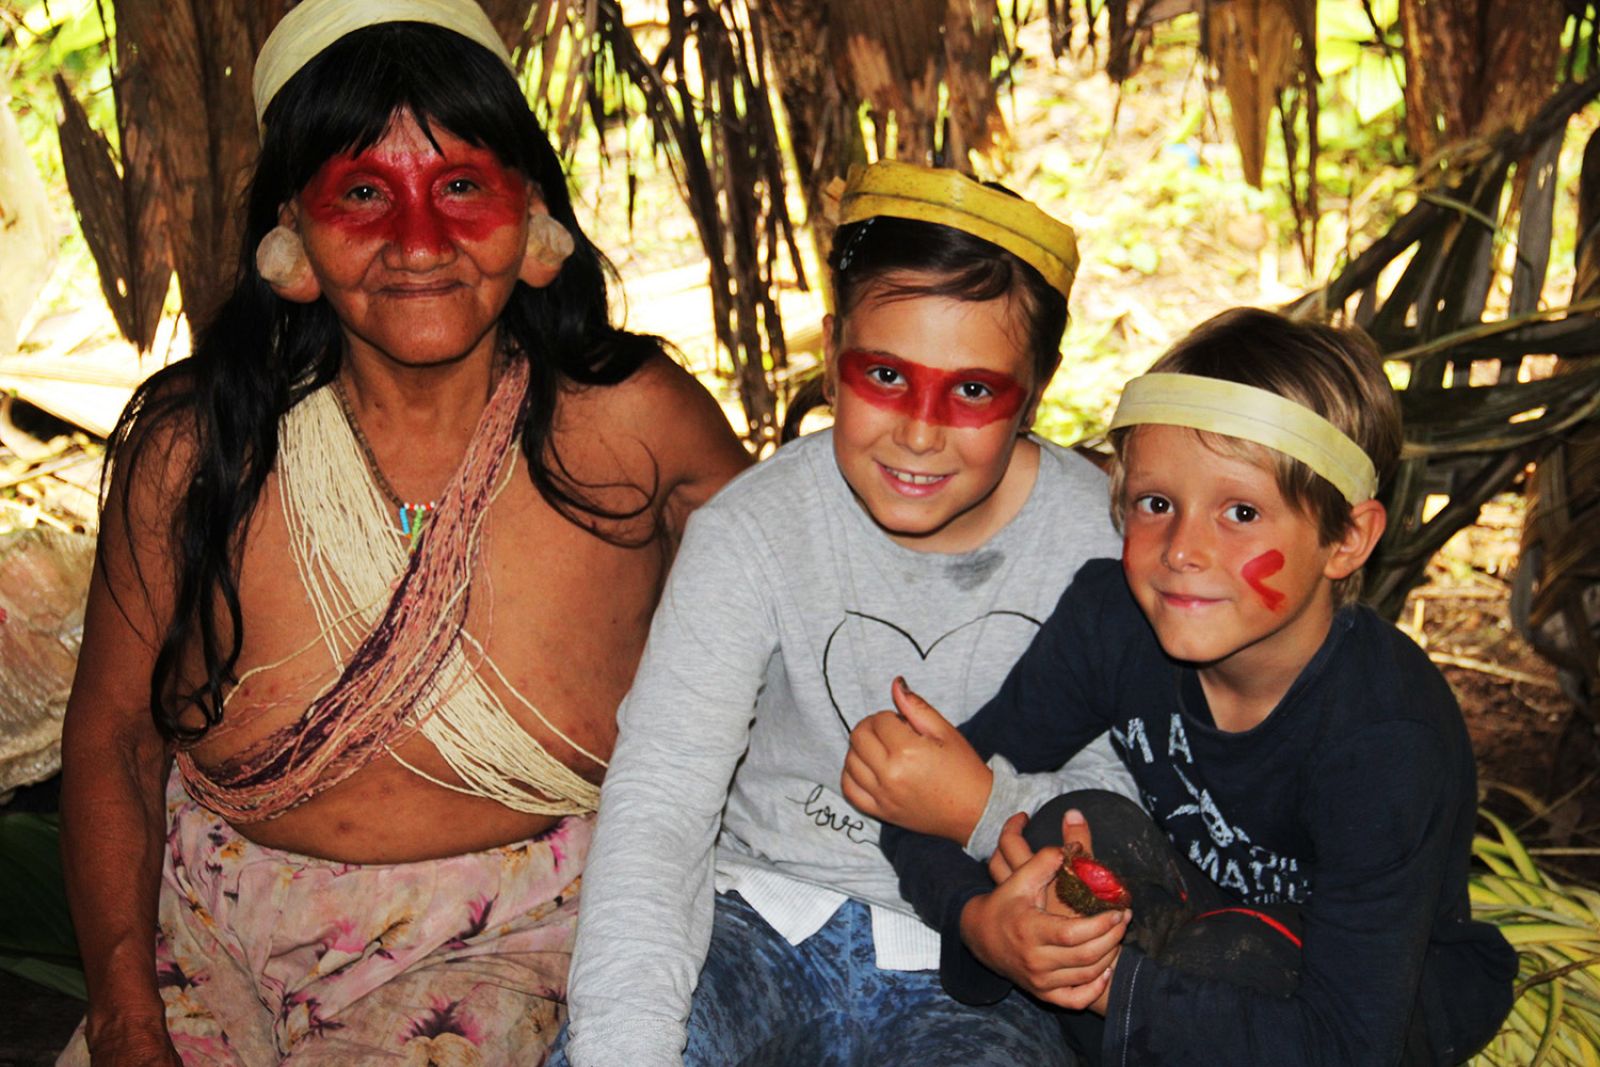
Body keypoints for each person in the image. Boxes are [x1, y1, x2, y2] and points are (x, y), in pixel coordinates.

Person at [55, 2, 750, 1064]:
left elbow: (805, 612)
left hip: (516, 940)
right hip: (205, 931)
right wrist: (125, 1010)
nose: (417, 243)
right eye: (364, 193)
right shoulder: (199, 449)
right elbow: (113, 736)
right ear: (290, 237)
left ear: (533, 223)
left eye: (461, 186)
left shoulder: (634, 426)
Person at [553, 160, 1139, 1067]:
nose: (918, 430)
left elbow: (1124, 811)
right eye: (886, 375)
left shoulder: (1101, 549)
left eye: (974, 390)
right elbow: (661, 803)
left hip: (977, 955)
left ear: (1038, 387)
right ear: (832, 355)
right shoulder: (752, 529)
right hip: (754, 921)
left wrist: (985, 812)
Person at [844, 308, 1518, 1065]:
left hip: (1353, 1011)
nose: (1183, 551)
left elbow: (1351, 1042)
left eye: (1241, 512)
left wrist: (1101, 985)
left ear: (1346, 538)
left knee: (1230, 955)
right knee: (1073, 825)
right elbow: (919, 803)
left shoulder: (1385, 739)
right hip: (1191, 928)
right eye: (1156, 504)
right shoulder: (1115, 620)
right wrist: (983, 927)